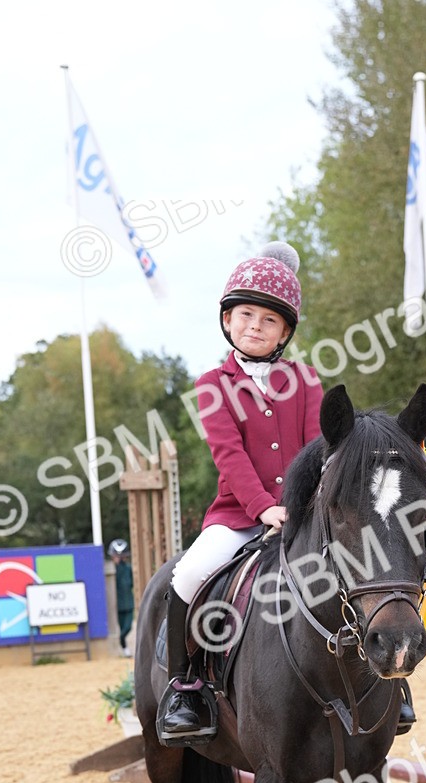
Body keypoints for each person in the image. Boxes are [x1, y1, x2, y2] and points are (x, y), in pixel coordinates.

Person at [158, 242, 324, 740]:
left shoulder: (307, 380)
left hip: (303, 513)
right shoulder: (212, 384)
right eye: (245, 314)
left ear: (285, 332)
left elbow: (318, 447)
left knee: (359, 566)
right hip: (236, 516)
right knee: (187, 575)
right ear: (227, 320)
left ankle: (388, 683)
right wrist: (264, 509)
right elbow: (228, 456)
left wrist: (299, 507)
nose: (255, 325)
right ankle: (183, 688)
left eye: (269, 320)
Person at [108, 539, 134, 657]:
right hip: (117, 605)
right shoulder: (112, 570)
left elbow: (131, 583)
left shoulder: (128, 569)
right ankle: (124, 647)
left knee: (127, 627)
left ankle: (120, 641)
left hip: (128, 603)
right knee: (120, 626)